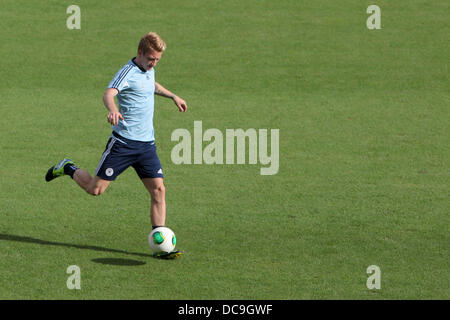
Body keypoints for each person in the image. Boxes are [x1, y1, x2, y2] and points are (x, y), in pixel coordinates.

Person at [45, 32, 187, 259]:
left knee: (159, 190)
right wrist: (112, 109)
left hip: (146, 146)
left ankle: (161, 247)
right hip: (122, 144)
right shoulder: (127, 72)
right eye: (151, 58)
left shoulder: (149, 69)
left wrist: (173, 96)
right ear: (140, 53)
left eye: (158, 60)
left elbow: (151, 85)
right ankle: (68, 167)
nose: (154, 63)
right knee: (95, 189)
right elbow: (109, 93)